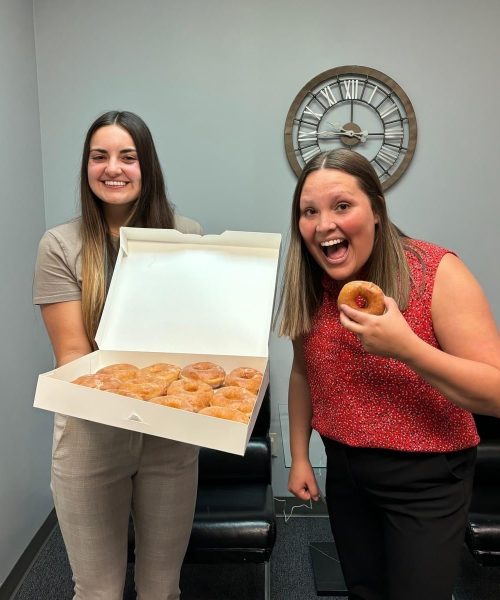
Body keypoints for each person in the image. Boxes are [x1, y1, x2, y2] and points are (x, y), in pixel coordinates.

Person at [278, 148, 500, 600]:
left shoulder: (436, 272)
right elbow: (303, 374)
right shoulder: (313, 284)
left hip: (427, 476)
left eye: (342, 206)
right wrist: (300, 455)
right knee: (364, 591)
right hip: (345, 470)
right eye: (309, 212)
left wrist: (407, 349)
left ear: (376, 209)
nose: (324, 225)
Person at [33, 110, 202, 600]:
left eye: (128, 157)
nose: (113, 168)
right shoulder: (60, 245)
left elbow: (196, 335)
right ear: (86, 168)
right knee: (98, 590)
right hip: (89, 435)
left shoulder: (185, 234)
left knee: (161, 589)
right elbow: (71, 352)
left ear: (146, 166)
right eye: (99, 156)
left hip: (168, 435)